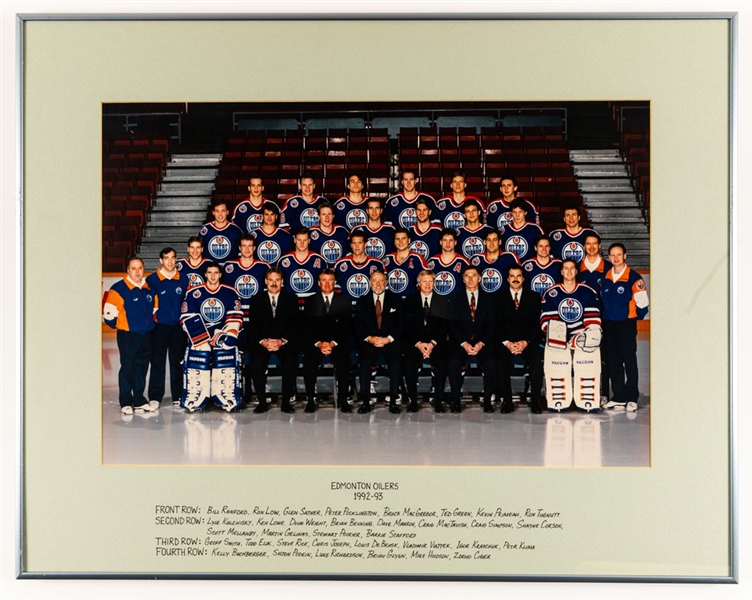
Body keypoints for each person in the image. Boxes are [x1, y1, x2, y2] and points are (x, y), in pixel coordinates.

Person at [179, 261, 243, 412]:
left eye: (216, 272)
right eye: (210, 273)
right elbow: (187, 319)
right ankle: (196, 393)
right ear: (205, 274)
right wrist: (206, 338)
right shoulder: (194, 292)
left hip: (222, 335)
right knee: (200, 348)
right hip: (201, 336)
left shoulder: (230, 292)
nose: (213, 276)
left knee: (227, 345)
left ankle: (225, 392)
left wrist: (222, 336)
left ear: (220, 274)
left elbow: (235, 318)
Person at [540, 259, 602, 412]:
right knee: (555, 351)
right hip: (559, 339)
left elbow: (593, 320)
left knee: (593, 341)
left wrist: (579, 338)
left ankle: (589, 398)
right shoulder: (552, 292)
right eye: (565, 269)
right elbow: (547, 322)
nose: (568, 272)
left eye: (572, 268)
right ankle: (557, 398)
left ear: (576, 271)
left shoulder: (587, 291)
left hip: (581, 338)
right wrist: (565, 339)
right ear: (561, 272)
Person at [103, 256, 158, 415]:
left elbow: (155, 310)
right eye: (133, 268)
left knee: (142, 367)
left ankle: (139, 399)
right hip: (128, 336)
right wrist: (124, 325)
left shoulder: (149, 288)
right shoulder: (118, 289)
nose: (137, 271)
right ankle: (126, 401)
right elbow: (109, 317)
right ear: (128, 270)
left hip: (146, 335)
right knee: (128, 368)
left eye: (140, 268)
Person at [600, 243, 649, 412]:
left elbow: (643, 306)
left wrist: (630, 320)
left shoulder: (634, 278)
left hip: (626, 325)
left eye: (619, 255)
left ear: (625, 256)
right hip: (609, 325)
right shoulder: (605, 278)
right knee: (614, 361)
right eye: (612, 255)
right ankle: (619, 396)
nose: (615, 258)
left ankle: (631, 397)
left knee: (629, 360)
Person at [246, 268, 301, 414]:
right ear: (266, 282)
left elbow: (296, 325)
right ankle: (262, 402)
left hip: (284, 342)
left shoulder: (291, 299)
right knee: (256, 363)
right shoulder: (256, 300)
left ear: (282, 282)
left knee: (290, 362)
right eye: (271, 280)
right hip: (264, 342)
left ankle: (286, 403)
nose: (274, 283)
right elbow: (253, 326)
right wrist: (263, 341)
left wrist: (281, 341)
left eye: (277, 280)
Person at [302, 269, 353, 413]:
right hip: (317, 344)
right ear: (319, 283)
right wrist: (319, 344)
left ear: (335, 282)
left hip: (337, 343)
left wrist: (332, 343)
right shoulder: (310, 301)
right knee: (309, 363)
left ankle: (343, 401)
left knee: (343, 362)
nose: (327, 284)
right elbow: (307, 327)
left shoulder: (344, 301)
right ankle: (311, 400)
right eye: (323, 280)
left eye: (330, 280)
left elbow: (346, 327)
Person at [447, 265, 497, 413]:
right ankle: (456, 401)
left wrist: (481, 343)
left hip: (483, 343)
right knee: (453, 362)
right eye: (467, 276)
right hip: (461, 343)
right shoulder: (455, 299)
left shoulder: (489, 299)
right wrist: (464, 343)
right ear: (463, 280)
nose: (470, 279)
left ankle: (487, 401)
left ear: (480, 278)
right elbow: (452, 325)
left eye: (473, 275)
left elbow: (492, 325)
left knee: (491, 362)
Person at [354, 271, 404, 414]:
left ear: (386, 283)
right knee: (364, 362)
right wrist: (370, 338)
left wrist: (388, 339)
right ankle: (365, 401)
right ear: (370, 283)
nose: (378, 284)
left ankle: (394, 400)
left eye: (381, 280)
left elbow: (401, 324)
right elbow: (358, 325)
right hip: (370, 342)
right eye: (375, 281)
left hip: (390, 341)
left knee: (395, 362)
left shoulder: (396, 300)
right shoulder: (362, 301)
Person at [495, 265, 543, 414]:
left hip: (527, 342)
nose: (515, 279)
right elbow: (496, 325)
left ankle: (535, 402)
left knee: (536, 363)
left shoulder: (534, 297)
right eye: (512, 276)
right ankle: (507, 402)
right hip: (506, 343)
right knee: (501, 362)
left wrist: (525, 342)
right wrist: (507, 343)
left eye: (518, 276)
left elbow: (536, 325)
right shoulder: (498, 298)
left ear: (523, 278)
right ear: (508, 279)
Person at [146, 247, 189, 407]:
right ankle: (155, 397)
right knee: (157, 362)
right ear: (161, 260)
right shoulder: (152, 280)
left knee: (177, 362)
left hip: (178, 328)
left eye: (173, 258)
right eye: (166, 258)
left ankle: (177, 396)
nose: (170, 261)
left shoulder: (183, 279)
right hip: (159, 328)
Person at [402, 270, 450, 413]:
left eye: (430, 281)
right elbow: (407, 326)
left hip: (435, 344)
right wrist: (419, 344)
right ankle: (413, 401)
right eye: (424, 281)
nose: (427, 284)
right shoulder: (410, 301)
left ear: (434, 283)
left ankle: (439, 401)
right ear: (419, 283)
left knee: (441, 363)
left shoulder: (442, 301)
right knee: (409, 363)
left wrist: (432, 344)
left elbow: (444, 327)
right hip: (415, 344)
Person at [576, 232, 613, 404]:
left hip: (603, 318)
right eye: (588, 244)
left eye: (595, 244)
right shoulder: (577, 268)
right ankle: (579, 391)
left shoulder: (608, 267)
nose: (591, 247)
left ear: (600, 246)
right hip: (580, 319)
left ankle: (603, 391)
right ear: (584, 246)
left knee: (603, 355)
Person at [221, 235, 269, 327]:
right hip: (235, 316)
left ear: (254, 248)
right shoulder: (229, 266)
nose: (247, 249)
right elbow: (224, 293)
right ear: (239, 248)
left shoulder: (263, 267)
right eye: (244, 246)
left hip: (258, 316)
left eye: (250, 246)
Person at [333, 230, 384, 302]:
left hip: (369, 307)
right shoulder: (340, 264)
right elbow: (336, 289)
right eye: (354, 243)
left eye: (360, 243)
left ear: (365, 244)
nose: (357, 246)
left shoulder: (377, 263)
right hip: (346, 307)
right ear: (351, 245)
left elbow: (383, 288)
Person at [277, 227, 326, 300]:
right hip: (291, 304)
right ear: (295, 240)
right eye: (299, 240)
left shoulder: (319, 260)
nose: (302, 243)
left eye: (305, 240)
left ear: (309, 241)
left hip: (313, 304)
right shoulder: (283, 261)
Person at [381, 227, 429, 298]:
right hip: (392, 300)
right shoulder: (387, 259)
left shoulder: (418, 258)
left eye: (403, 238)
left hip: (412, 301)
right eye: (397, 239)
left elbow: (427, 280)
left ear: (409, 240)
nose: (400, 242)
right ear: (394, 242)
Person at [471, 229, 520, 295]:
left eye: (494, 240)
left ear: (499, 242)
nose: (491, 243)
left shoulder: (510, 257)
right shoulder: (476, 259)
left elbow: (520, 278)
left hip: (503, 300)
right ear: (484, 242)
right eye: (488, 240)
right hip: (483, 301)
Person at [426, 228, 470, 297]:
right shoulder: (432, 261)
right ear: (440, 242)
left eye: (451, 240)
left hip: (456, 302)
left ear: (455, 242)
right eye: (445, 240)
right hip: (436, 304)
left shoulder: (464, 262)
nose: (448, 243)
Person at [198, 200, 244, 264]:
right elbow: (197, 252)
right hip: (210, 271)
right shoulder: (205, 230)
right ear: (213, 212)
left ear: (227, 212)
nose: (220, 214)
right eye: (217, 211)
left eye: (223, 211)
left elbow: (242, 253)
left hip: (229, 270)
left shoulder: (236, 230)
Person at [309, 200, 350, 266]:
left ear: (333, 216)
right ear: (318, 217)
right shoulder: (311, 233)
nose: (327, 217)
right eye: (324, 214)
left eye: (329, 214)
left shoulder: (342, 231)